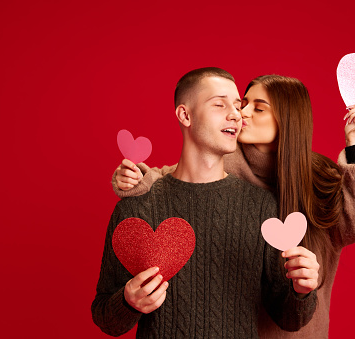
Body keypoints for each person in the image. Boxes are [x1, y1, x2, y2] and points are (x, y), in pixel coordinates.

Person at [112, 75, 355, 338]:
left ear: (288, 119)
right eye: (244, 103)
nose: (243, 113)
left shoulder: (318, 179)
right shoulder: (227, 160)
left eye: (259, 108)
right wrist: (137, 177)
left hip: (300, 327)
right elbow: (177, 178)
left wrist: (354, 146)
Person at [91, 68, 320, 338]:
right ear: (185, 115)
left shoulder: (262, 208)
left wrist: (302, 291)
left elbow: (289, 320)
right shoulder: (137, 206)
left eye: (238, 105)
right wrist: (128, 303)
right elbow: (104, 315)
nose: (236, 114)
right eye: (219, 104)